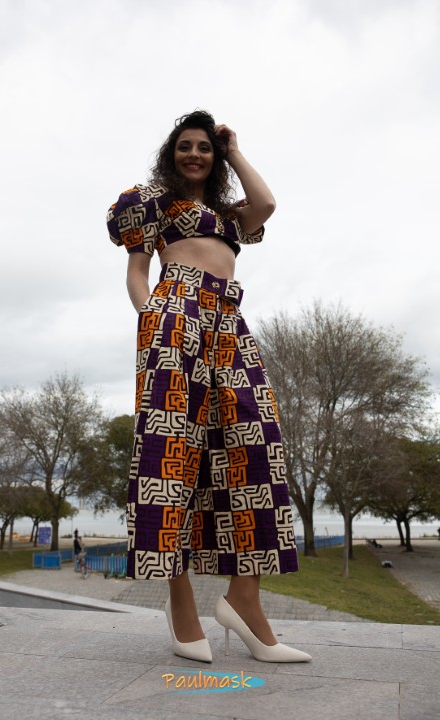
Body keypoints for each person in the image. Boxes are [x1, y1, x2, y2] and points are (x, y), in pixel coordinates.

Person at [107, 110, 311, 664]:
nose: (194, 155)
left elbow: (266, 204)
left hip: (229, 322)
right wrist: (153, 319)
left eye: (203, 148)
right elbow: (136, 271)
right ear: (170, 154)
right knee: (171, 459)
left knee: (255, 447)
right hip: (175, 317)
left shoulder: (228, 215)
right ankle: (181, 605)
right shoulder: (152, 202)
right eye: (185, 146)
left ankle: (244, 599)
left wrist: (234, 149)